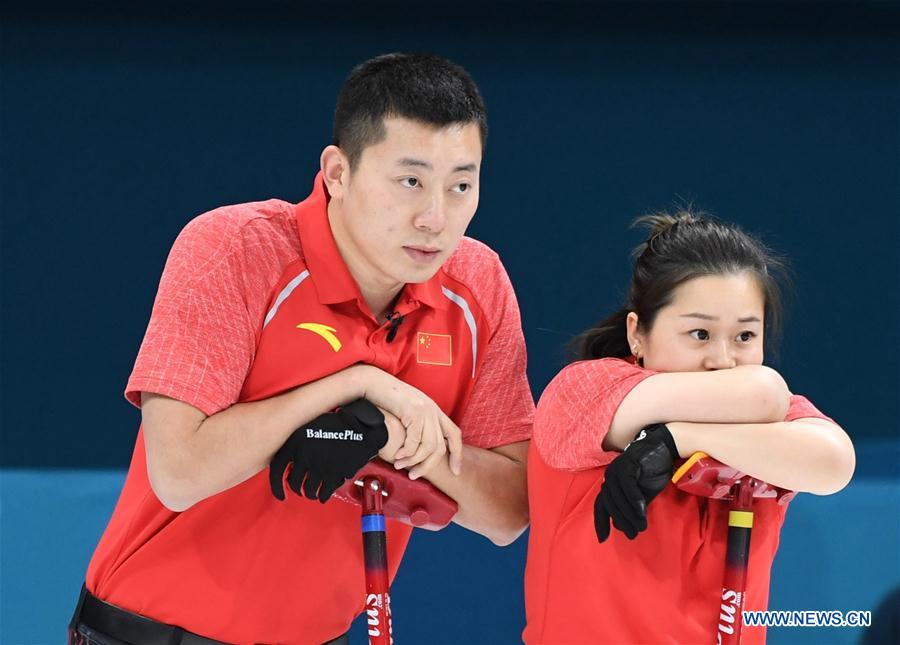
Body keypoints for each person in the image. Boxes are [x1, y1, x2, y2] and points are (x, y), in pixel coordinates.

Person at [69, 53, 534, 645]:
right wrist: (351, 386)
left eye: (461, 185)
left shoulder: (478, 287)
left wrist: (388, 436)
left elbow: (506, 515)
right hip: (149, 633)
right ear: (338, 172)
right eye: (410, 181)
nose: (436, 217)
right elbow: (178, 473)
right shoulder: (235, 249)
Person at [523, 211, 855, 644]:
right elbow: (764, 391)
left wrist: (681, 438)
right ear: (637, 334)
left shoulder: (769, 422)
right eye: (699, 334)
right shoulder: (585, 392)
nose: (722, 359)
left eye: (744, 337)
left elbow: (835, 464)